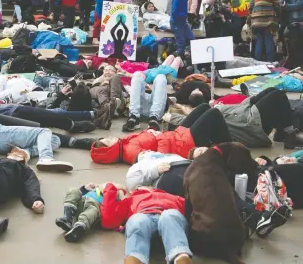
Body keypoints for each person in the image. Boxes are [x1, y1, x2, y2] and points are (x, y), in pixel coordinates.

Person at [127, 150, 292, 239]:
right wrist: (154, 169)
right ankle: (254, 219)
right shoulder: (141, 165)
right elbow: (132, 182)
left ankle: (254, 219)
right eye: (142, 152)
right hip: (167, 177)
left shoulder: (169, 154)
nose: (147, 151)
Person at [164, 88, 303, 149]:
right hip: (248, 125)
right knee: (278, 95)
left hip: (243, 113)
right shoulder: (201, 115)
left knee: (272, 91)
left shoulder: (203, 109)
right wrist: (170, 116)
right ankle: (288, 134)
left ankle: (282, 132)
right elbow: (179, 120)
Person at [92, 106, 233, 165]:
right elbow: (159, 159)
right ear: (110, 150)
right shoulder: (131, 152)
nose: (110, 137)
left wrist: (151, 131)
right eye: (107, 141)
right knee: (214, 114)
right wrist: (158, 135)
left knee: (203, 107)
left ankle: (215, 146)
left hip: (176, 136)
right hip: (183, 145)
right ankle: (231, 152)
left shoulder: (124, 144)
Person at [100, 183, 193, 264]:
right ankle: (135, 259)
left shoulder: (174, 197)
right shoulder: (130, 200)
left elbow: (196, 211)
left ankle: (181, 257)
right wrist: (111, 187)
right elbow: (108, 220)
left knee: (169, 216)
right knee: (138, 220)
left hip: (168, 215)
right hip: (143, 216)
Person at [122, 55, 183, 132]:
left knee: (161, 77)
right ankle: (133, 117)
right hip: (139, 108)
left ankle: (153, 119)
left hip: (157, 110)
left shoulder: (159, 75)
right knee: (137, 74)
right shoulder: (147, 73)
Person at [55, 182, 126, 243]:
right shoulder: (92, 191)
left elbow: (116, 215)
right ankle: (67, 218)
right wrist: (85, 188)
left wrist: (120, 196)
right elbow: (77, 195)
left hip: (92, 210)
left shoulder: (109, 203)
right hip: (79, 205)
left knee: (93, 210)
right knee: (73, 191)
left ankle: (79, 227)